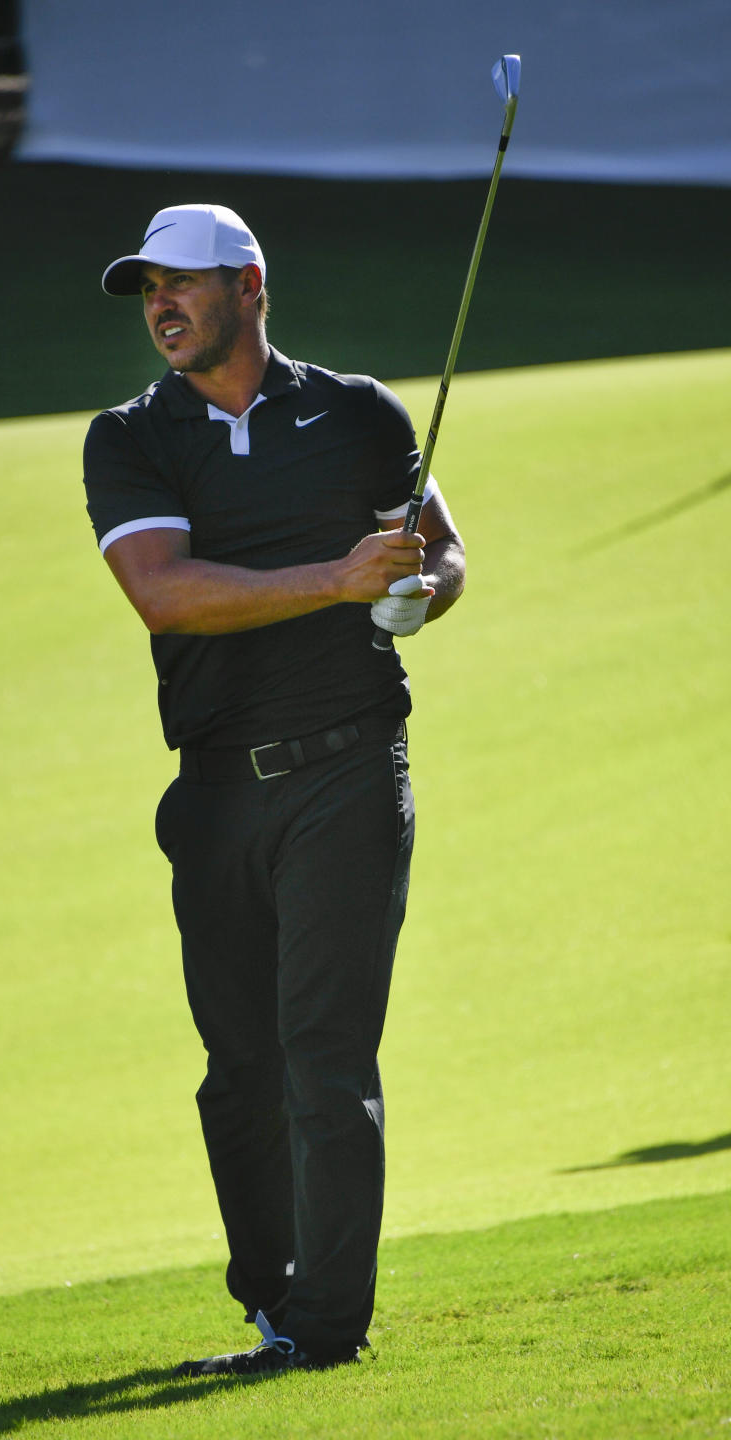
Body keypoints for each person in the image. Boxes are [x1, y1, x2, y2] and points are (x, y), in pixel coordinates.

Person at [83, 203, 465, 1376]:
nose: (161, 304)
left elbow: (441, 548)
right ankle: (273, 1299)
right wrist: (342, 578)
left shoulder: (358, 412)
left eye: (182, 283)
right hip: (213, 789)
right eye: (148, 287)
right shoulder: (130, 437)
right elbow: (167, 594)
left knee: (324, 1053)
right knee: (241, 1065)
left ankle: (325, 1330)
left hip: (351, 766)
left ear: (248, 284)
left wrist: (416, 591)